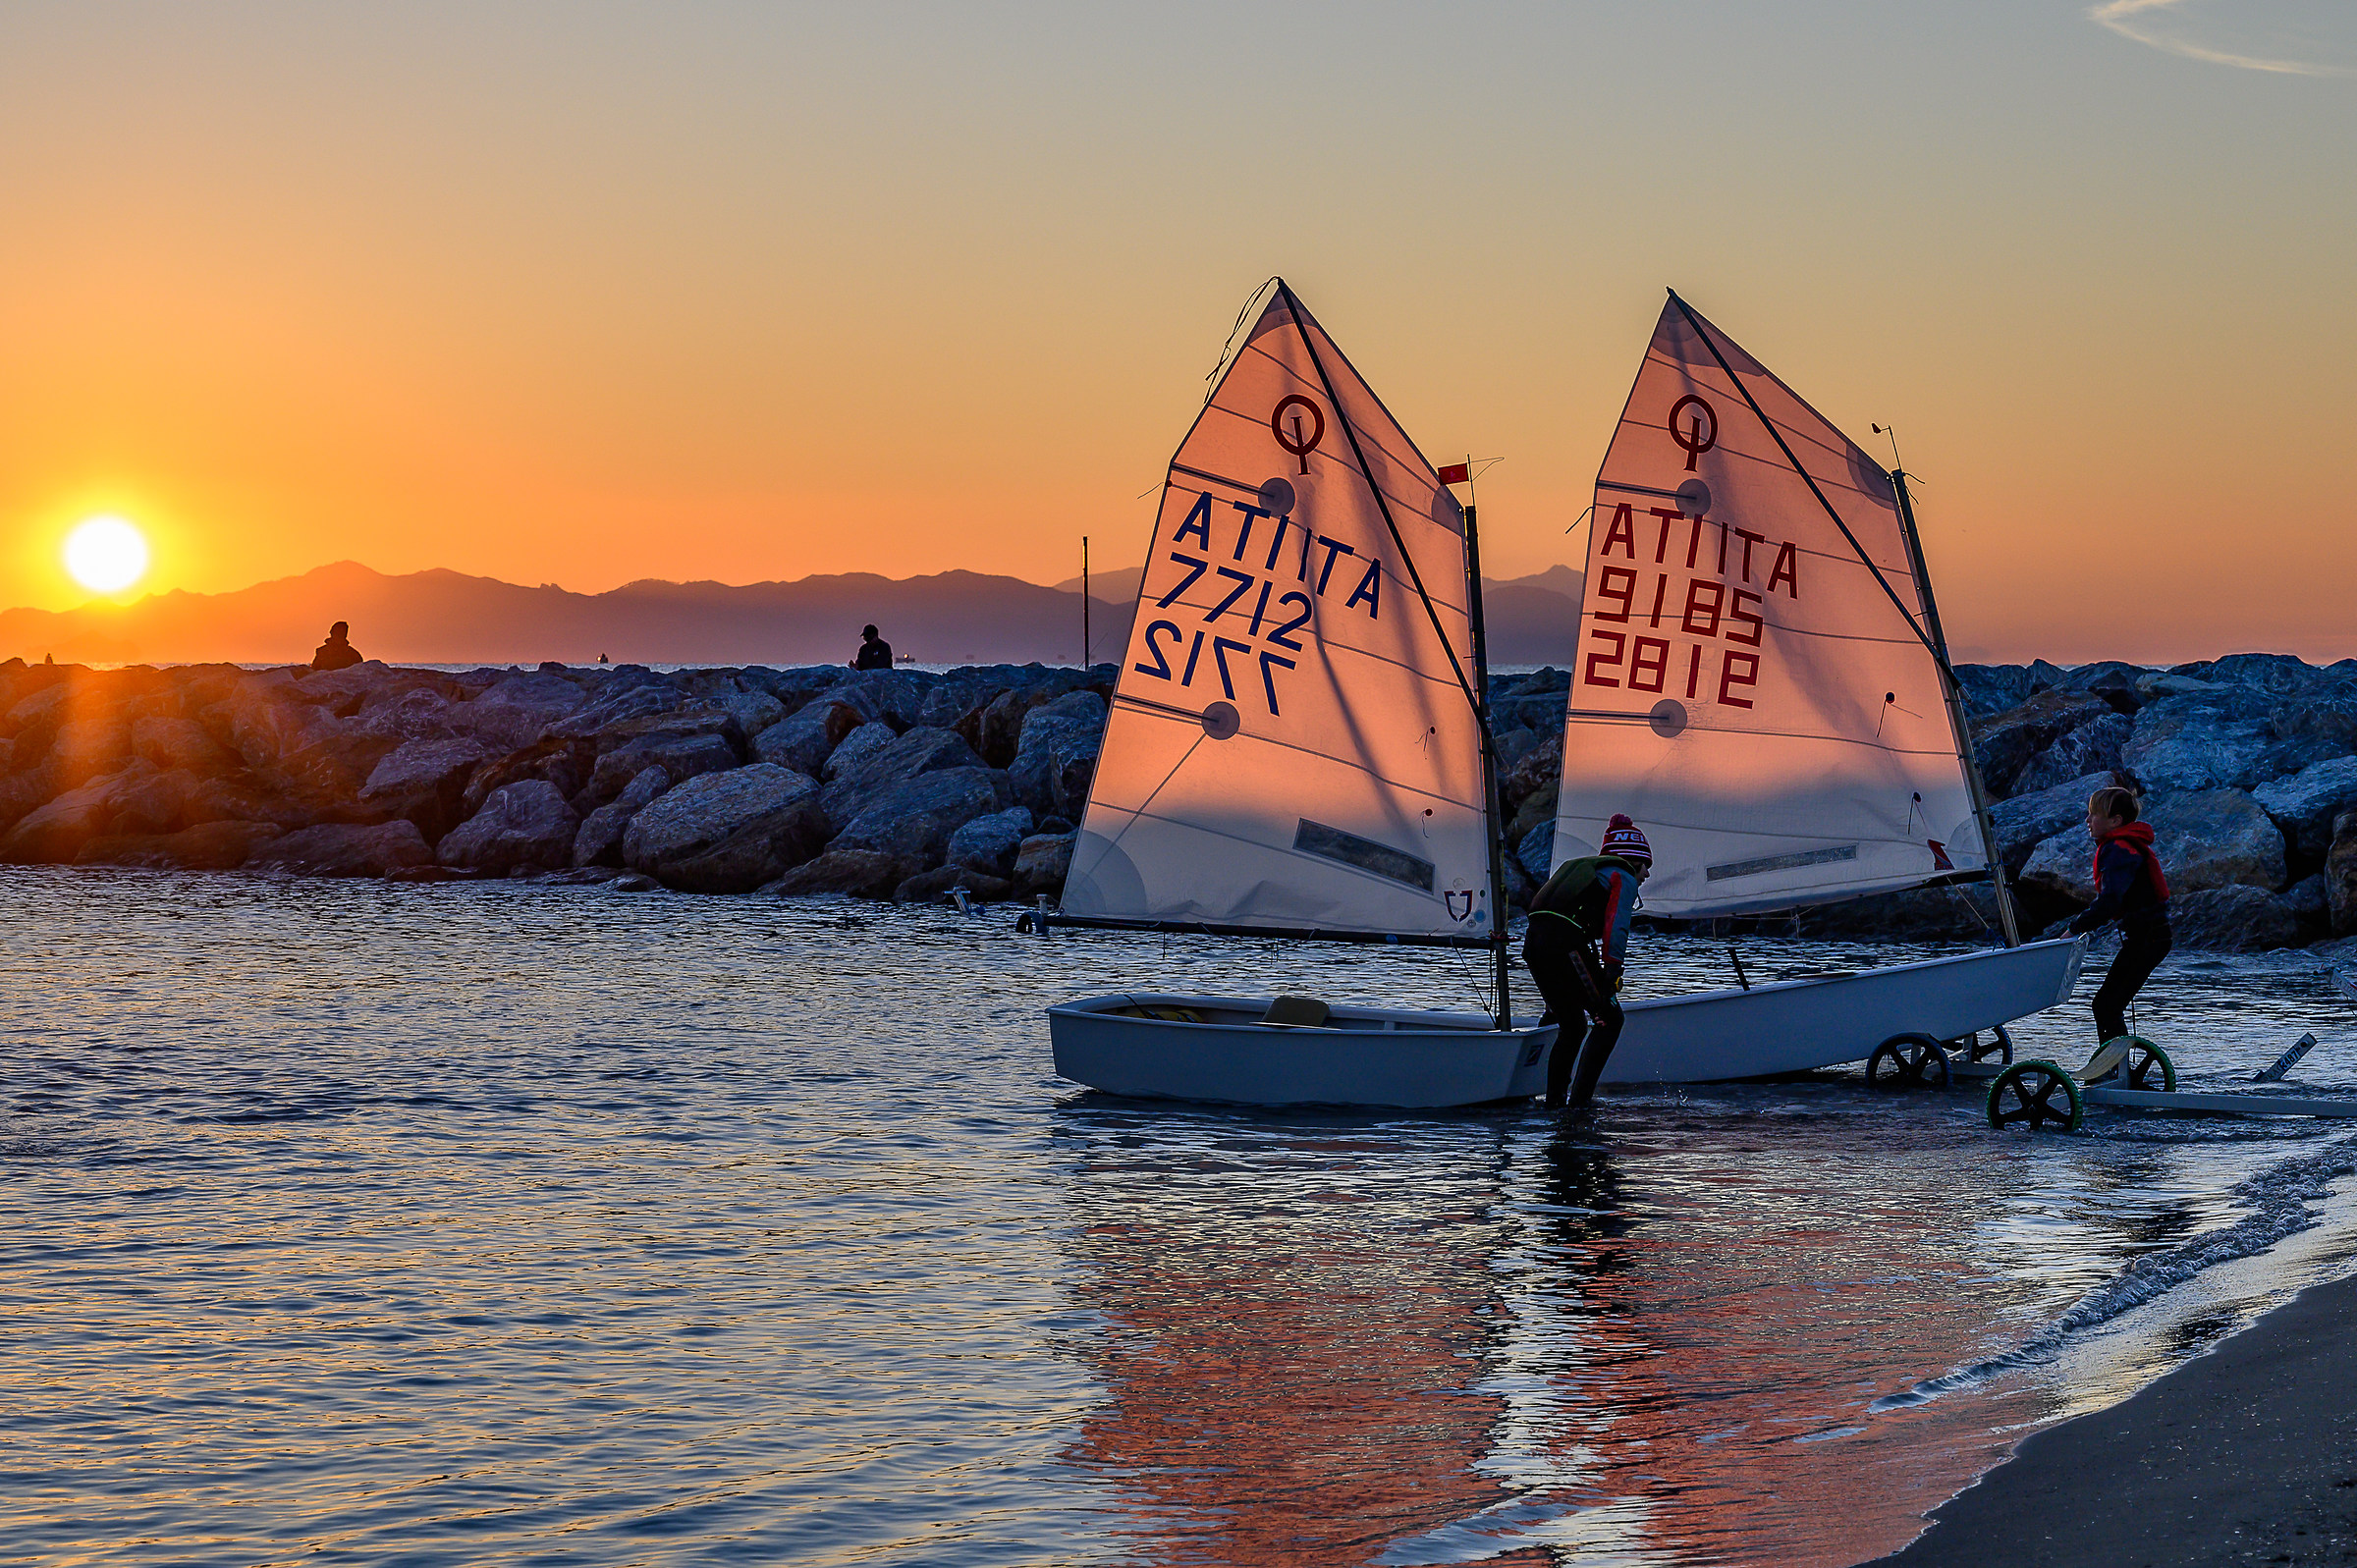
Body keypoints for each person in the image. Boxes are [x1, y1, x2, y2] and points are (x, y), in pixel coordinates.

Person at [1524, 814, 1651, 1110]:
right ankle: (1579, 1106)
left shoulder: (1580, 867)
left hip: (1534, 945)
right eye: (1647, 866)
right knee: (1610, 1018)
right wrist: (1612, 969)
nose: (1646, 876)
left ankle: (1554, 1105)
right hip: (1565, 943)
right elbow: (1616, 924)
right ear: (1633, 860)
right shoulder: (1624, 875)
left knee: (1572, 1025)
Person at [2067, 784, 2172, 1050]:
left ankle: (2117, 1072)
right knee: (2108, 1004)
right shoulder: (2121, 846)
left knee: (2106, 1004)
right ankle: (2118, 1068)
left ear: (2116, 821)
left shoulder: (2118, 849)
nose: (2087, 821)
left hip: (2148, 939)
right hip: (2150, 937)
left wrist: (2073, 929)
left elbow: (2110, 902)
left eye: (2094, 815)